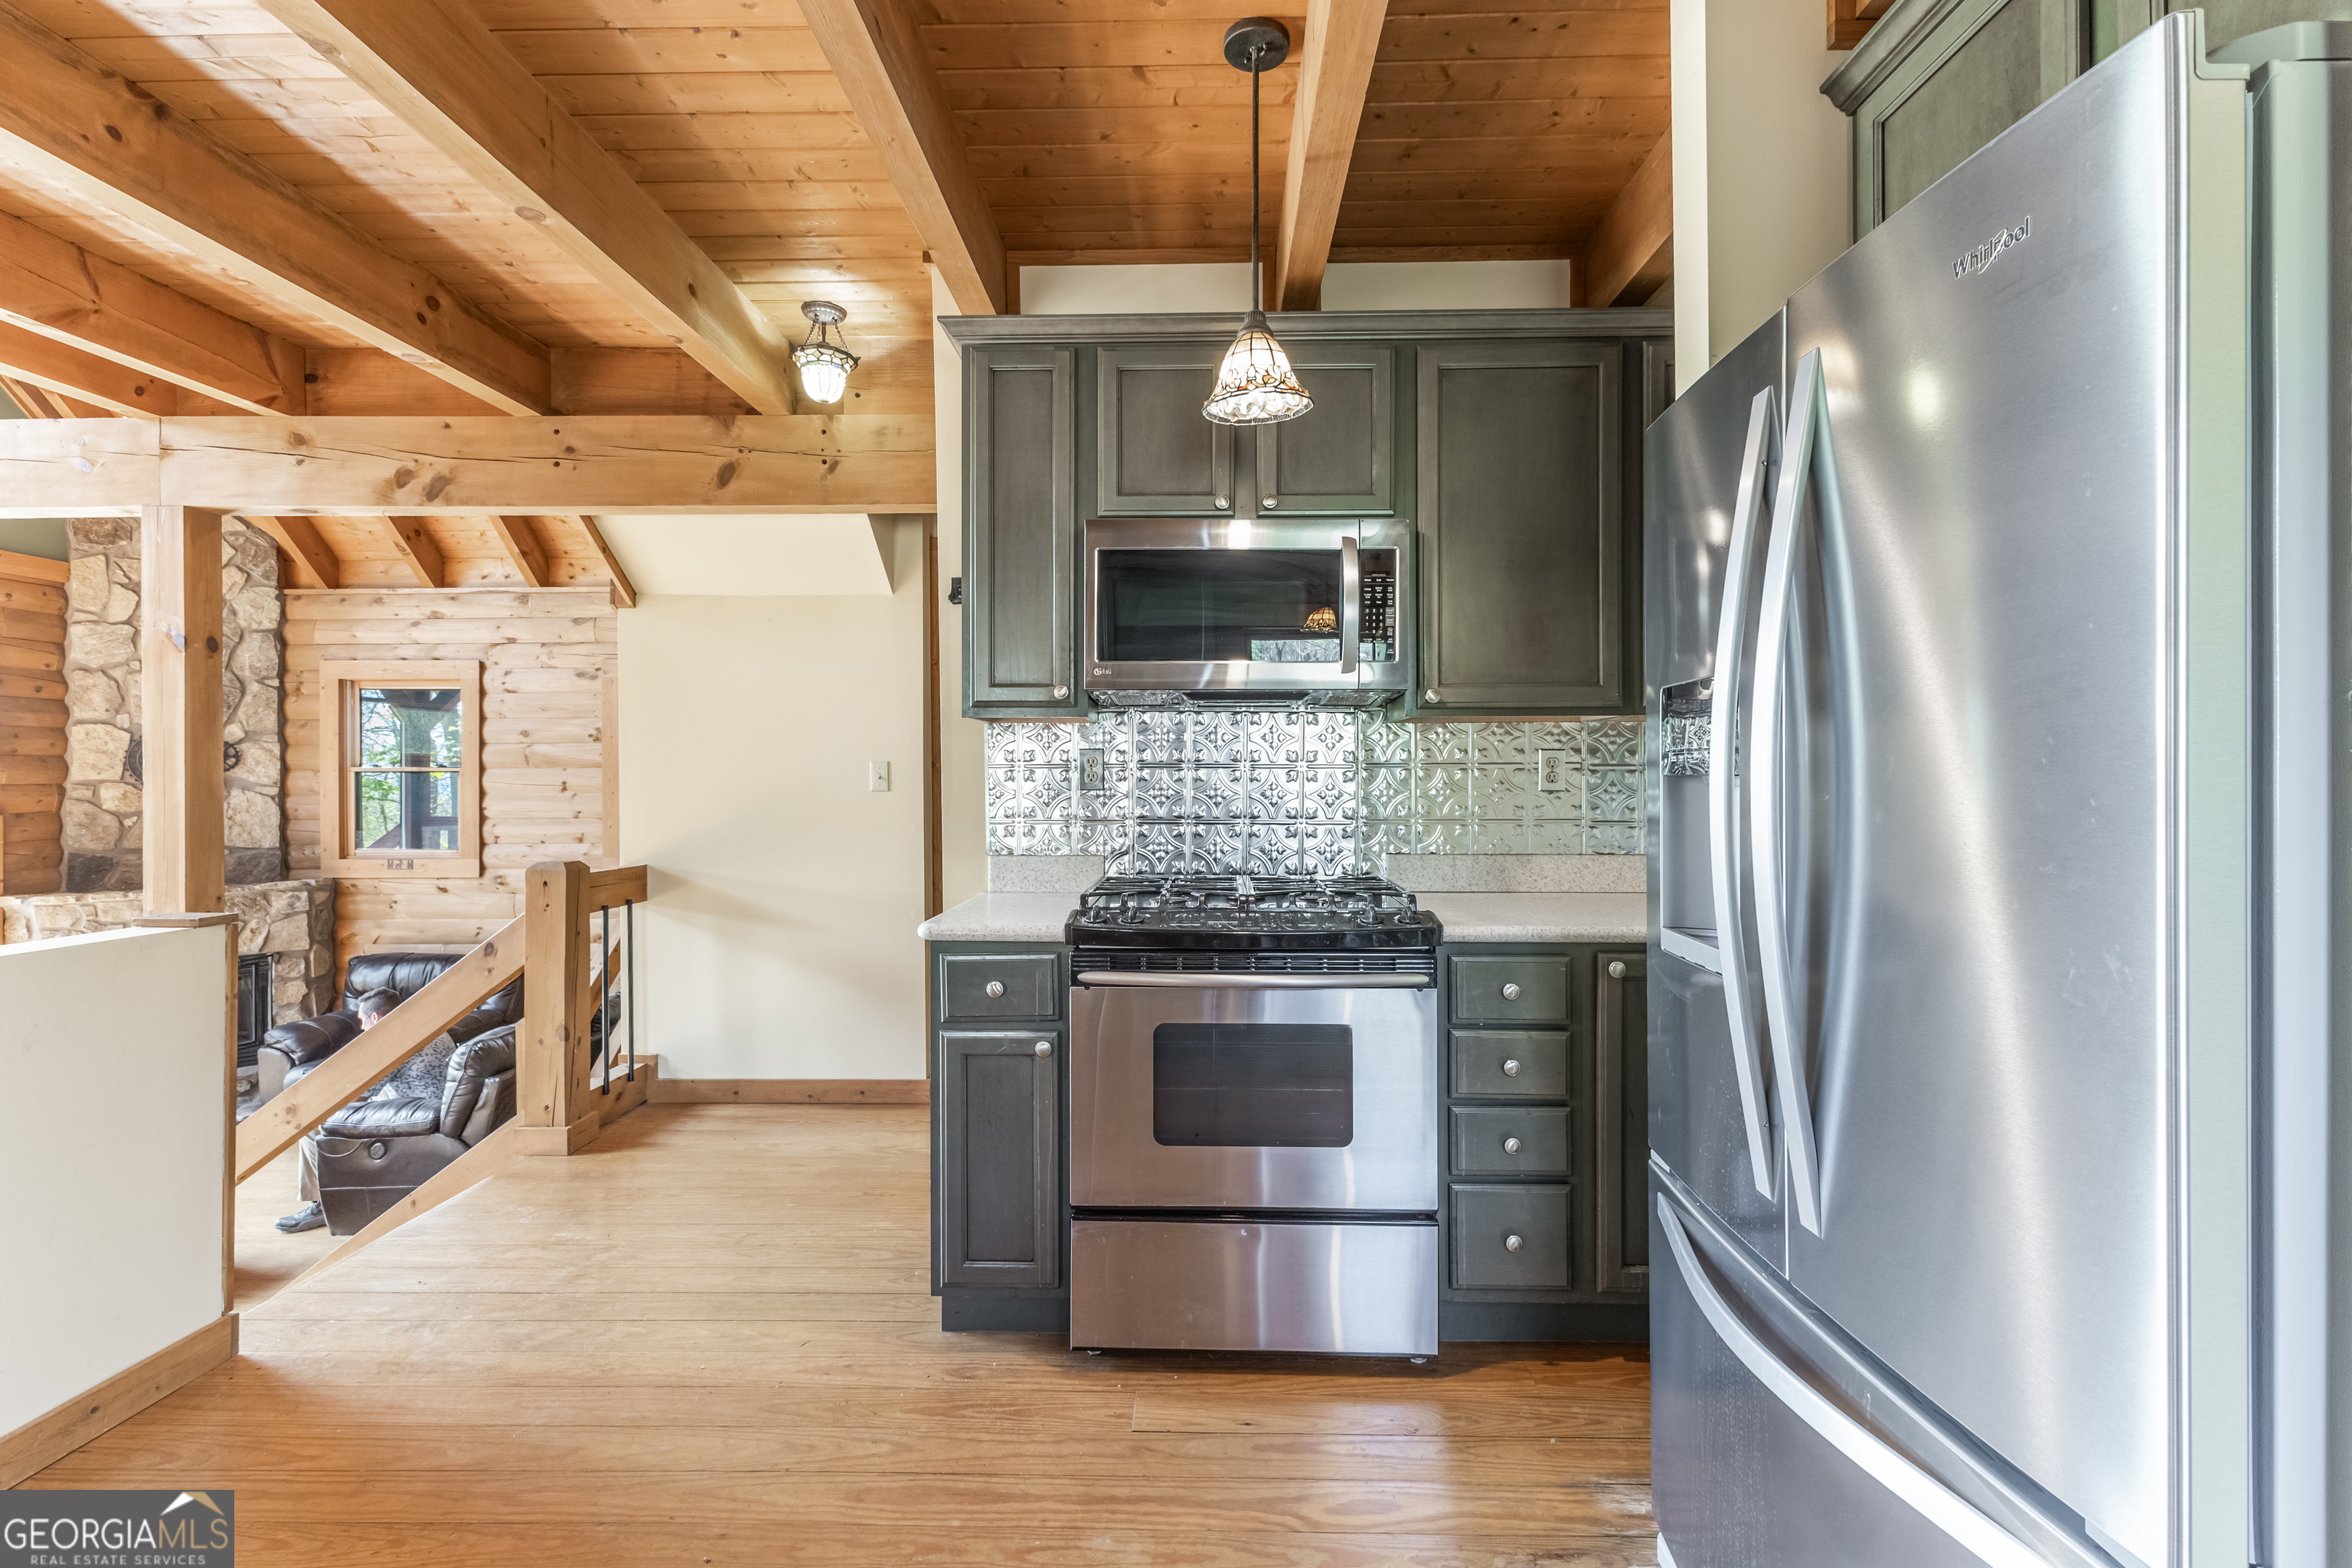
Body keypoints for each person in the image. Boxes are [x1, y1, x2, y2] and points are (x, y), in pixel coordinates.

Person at [276, 987, 462, 1233]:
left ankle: (321, 1205)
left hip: (414, 1114)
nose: (362, 1029)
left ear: (376, 1018)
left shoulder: (394, 1040)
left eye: (363, 1021)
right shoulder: (427, 1026)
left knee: (312, 1123)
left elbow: (356, 1097)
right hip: (434, 1105)